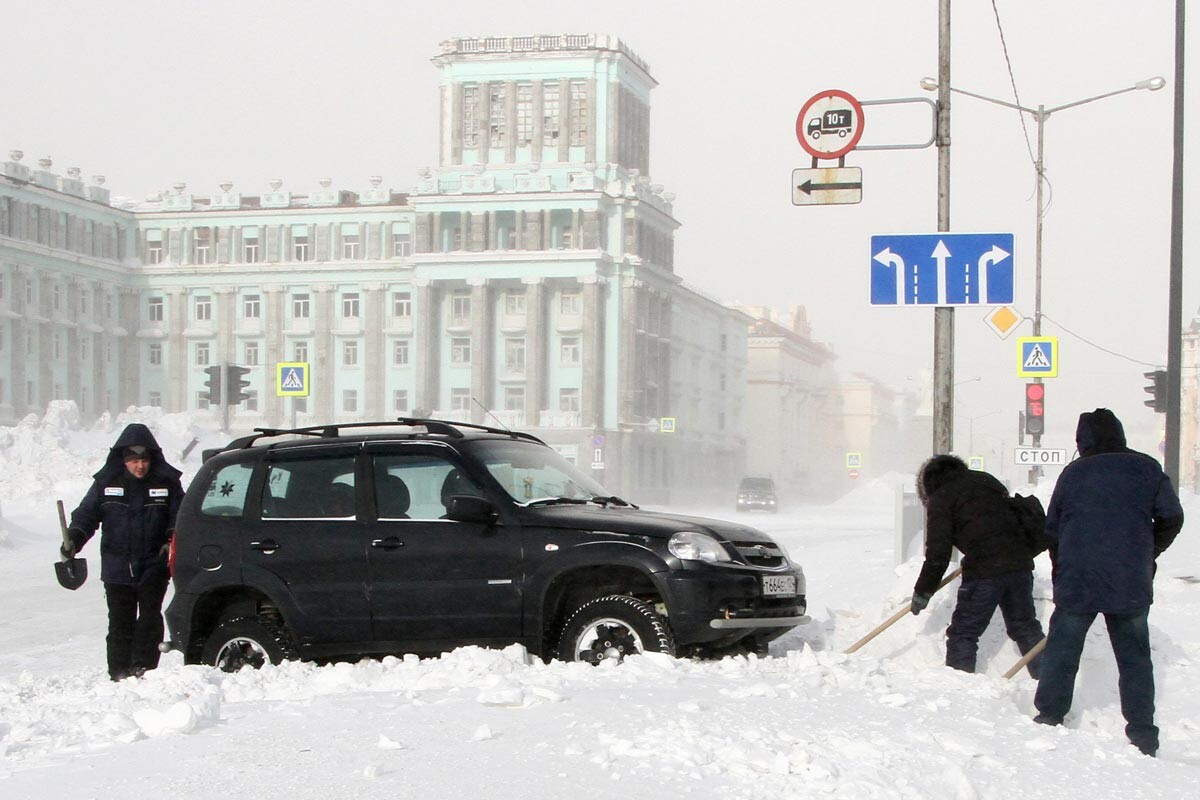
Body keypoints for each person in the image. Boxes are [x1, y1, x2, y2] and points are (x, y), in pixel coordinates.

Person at [1033, 408, 1184, 757]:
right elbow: (1172, 517)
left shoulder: (1073, 474)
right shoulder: (1147, 468)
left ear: (1082, 440)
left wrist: (1062, 568)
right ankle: (1143, 734)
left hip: (1078, 579)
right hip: (1129, 579)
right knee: (1134, 657)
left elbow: (1052, 529)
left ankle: (1049, 716)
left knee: (1063, 649)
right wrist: (1147, 552)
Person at [63, 424, 184, 681]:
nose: (140, 466)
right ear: (124, 460)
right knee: (120, 620)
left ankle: (143, 667)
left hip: (154, 563)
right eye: (134, 461)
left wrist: (169, 540)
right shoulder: (106, 484)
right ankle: (118, 671)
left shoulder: (167, 484)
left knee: (150, 617)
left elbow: (180, 517)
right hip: (116, 566)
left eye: (144, 460)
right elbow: (86, 517)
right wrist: (74, 540)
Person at [910, 454, 1046, 676]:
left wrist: (923, 591)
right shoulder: (986, 481)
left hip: (985, 572)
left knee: (964, 632)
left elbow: (938, 553)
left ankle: (962, 691)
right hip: (1019, 564)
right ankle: (1049, 687)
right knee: (1025, 627)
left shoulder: (941, 498)